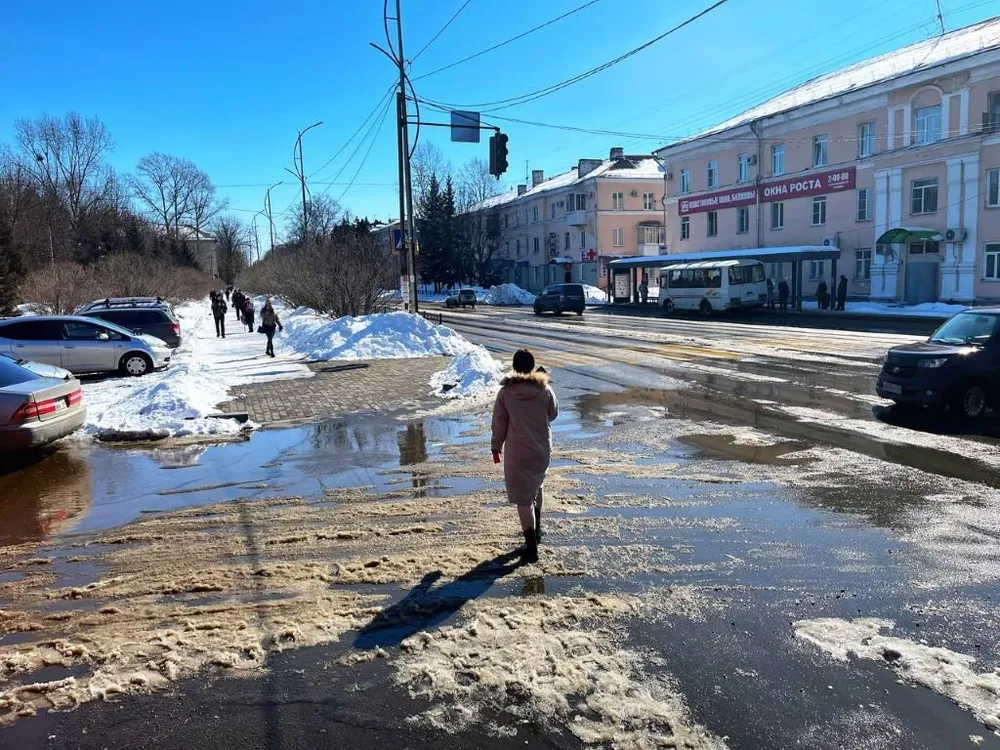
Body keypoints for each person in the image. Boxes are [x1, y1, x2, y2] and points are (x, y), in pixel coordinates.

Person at [491, 349, 559, 565]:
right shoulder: (545, 390)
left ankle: (531, 547)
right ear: (532, 366)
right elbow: (553, 413)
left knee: (523, 500)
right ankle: (537, 532)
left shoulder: (505, 393)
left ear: (514, 366)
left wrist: (496, 448)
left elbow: (499, 423)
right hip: (541, 451)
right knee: (536, 487)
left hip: (518, 453)